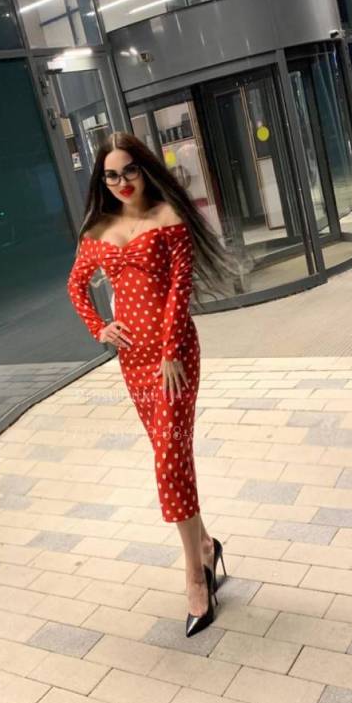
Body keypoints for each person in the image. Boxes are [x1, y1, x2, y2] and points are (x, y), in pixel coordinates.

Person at [67, 131, 236, 637]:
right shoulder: (99, 228)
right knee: (172, 456)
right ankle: (205, 546)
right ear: (102, 180)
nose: (121, 182)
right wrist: (99, 327)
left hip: (173, 359)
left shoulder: (168, 218)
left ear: (144, 169)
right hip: (133, 363)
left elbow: (179, 290)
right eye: (111, 175)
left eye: (129, 171)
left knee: (167, 458)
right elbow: (76, 286)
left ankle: (195, 577)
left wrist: (169, 353)